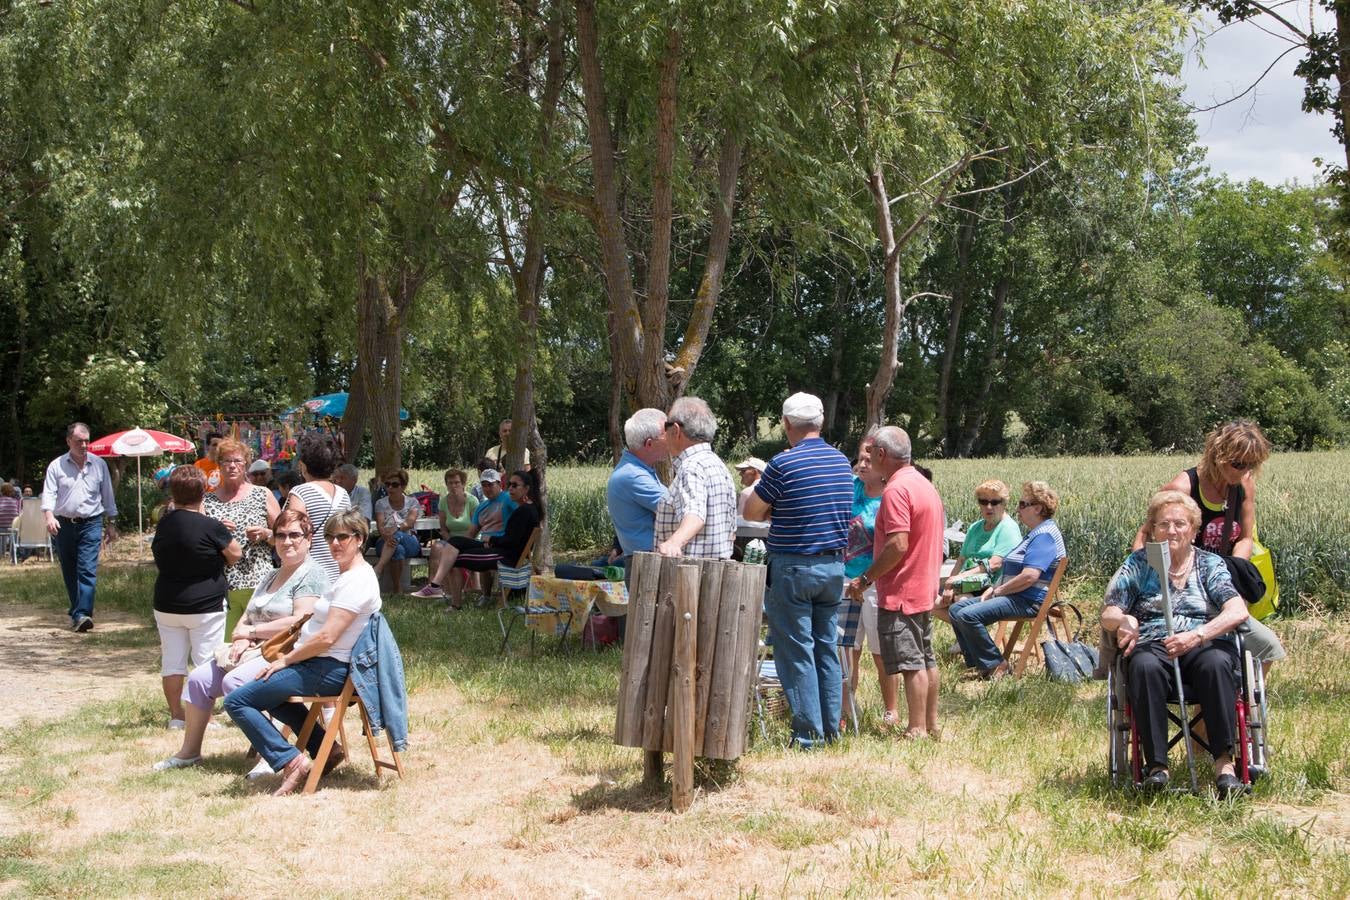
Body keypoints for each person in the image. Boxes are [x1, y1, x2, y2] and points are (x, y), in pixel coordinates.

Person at [154, 508, 328, 771]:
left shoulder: (311, 573)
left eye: (295, 535)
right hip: (255, 649)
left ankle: (274, 754)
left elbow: (300, 620)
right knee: (200, 679)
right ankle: (189, 751)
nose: (287, 541)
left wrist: (252, 633)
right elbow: (247, 616)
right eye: (281, 535)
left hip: (288, 655)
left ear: (309, 538)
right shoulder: (271, 574)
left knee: (235, 682)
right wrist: (239, 638)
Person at [1102, 490, 1252, 796]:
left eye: (1180, 524)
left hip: (1203, 640)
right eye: (1163, 524)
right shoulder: (1140, 563)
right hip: (1153, 642)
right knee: (1143, 666)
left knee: (1217, 664)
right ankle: (1157, 767)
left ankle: (1224, 765)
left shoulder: (1210, 565)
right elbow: (1110, 612)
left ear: (1194, 530)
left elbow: (1237, 610)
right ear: (1153, 530)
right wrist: (1126, 621)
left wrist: (1197, 635)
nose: (1171, 530)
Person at [224, 508, 382, 795]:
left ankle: (291, 761)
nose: (335, 543)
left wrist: (285, 659)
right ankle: (324, 748)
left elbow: (327, 637)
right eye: (330, 537)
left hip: (327, 668)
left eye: (342, 537)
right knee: (271, 694)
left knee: (237, 701)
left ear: (359, 539)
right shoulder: (348, 575)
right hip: (318, 664)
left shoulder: (357, 580)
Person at [743, 393, 853, 748]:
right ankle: (831, 729)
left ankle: (808, 735)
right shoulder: (840, 462)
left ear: (787, 424)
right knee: (826, 647)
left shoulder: (782, 464)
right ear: (820, 422)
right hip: (833, 566)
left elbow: (752, 512)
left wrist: (782, 512)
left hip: (793, 565)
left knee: (795, 651)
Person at [1131, 420, 1284, 669]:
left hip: (1217, 583)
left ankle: (1237, 703)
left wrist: (1231, 574)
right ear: (1218, 455)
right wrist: (1145, 577)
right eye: (1238, 464)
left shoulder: (1243, 484)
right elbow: (1145, 534)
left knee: (1268, 647)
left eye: (1251, 465)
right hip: (1181, 588)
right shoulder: (1184, 487)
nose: (1245, 470)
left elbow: (1245, 538)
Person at [846, 426, 945, 739]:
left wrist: (865, 578)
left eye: (872, 451)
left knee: (911, 663)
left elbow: (897, 544)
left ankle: (915, 729)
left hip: (902, 588)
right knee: (926, 658)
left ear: (881, 455)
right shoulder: (922, 484)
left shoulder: (896, 490)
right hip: (923, 585)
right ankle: (931, 723)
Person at [152, 466, 242, 729]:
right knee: (205, 663)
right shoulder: (211, 526)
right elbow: (235, 554)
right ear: (203, 492)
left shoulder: (164, 524)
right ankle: (205, 716)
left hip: (167, 603)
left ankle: (176, 716)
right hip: (205, 605)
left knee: (172, 661)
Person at [949, 481, 1066, 680]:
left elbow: (1030, 576)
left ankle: (997, 665)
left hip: (1028, 600)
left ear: (1037, 508)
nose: (1017, 509)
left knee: (968, 615)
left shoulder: (1044, 535)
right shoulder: (1037, 533)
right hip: (1017, 595)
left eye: (1022, 504)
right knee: (956, 610)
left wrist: (998, 590)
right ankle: (982, 664)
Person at [414, 470, 542, 609]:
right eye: (510, 484)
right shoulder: (523, 508)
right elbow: (472, 534)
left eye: (515, 485)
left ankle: (453, 602)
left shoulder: (521, 509)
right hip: (497, 548)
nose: (510, 488)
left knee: (454, 560)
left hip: (505, 555)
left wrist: (491, 540)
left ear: (526, 488)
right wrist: (485, 541)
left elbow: (511, 541)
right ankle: (436, 585)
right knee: (454, 542)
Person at [837, 433, 897, 726]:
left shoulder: (891, 495)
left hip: (876, 582)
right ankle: (846, 710)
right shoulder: (849, 488)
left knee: (880, 650)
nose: (861, 465)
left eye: (868, 460)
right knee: (847, 649)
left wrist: (868, 580)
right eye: (859, 458)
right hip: (845, 580)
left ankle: (891, 710)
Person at [41, 422, 119, 632]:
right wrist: (49, 516)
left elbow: (108, 496)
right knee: (69, 570)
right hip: (63, 524)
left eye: (87, 441)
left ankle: (83, 613)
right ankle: (78, 611)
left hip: (91, 523)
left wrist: (111, 523)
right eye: (79, 441)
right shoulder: (56, 466)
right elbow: (48, 493)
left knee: (86, 569)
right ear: (69, 441)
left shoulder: (99, 464)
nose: (84, 445)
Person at [204, 439, 281, 618]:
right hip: (220, 584)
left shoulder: (262, 494)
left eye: (237, 461)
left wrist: (266, 533)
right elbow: (200, 542)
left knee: (257, 639)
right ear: (219, 465)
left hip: (259, 582)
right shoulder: (207, 500)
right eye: (226, 461)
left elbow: (282, 536)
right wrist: (216, 532)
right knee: (225, 642)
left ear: (245, 464)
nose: (232, 466)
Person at [654, 397, 736, 559]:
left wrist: (674, 543)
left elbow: (695, 514)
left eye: (666, 426)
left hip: (691, 575)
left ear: (676, 430)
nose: (664, 434)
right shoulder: (717, 464)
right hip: (715, 573)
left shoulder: (692, 467)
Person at [936, 479, 1022, 624]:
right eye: (983, 502)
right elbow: (961, 559)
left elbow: (995, 563)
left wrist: (957, 579)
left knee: (961, 601)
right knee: (928, 602)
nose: (989, 506)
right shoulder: (975, 527)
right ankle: (965, 635)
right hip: (966, 584)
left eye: (995, 502)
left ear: (1004, 503)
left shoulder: (1008, 528)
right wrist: (950, 585)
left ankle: (969, 639)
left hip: (993, 586)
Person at [283, 433, 351, 582]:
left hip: (310, 575)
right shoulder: (343, 494)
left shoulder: (300, 492)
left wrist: (269, 535)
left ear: (303, 466)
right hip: (339, 571)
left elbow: (294, 532)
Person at [606, 408, 670, 568]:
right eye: (666, 435)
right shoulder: (634, 476)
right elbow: (676, 509)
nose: (671, 440)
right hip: (648, 566)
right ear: (649, 443)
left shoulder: (636, 470)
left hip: (646, 562)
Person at [426, 468, 479, 587]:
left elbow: (475, 529)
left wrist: (459, 544)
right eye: (450, 483)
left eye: (456, 482)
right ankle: (433, 587)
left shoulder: (472, 501)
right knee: (436, 548)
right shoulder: (443, 502)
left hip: (471, 540)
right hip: (451, 540)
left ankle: (475, 588)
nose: (453, 486)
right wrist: (451, 543)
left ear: (463, 484)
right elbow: (443, 529)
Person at [373, 468, 422, 591]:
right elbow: (380, 526)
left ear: (403, 486)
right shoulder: (380, 503)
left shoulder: (413, 502)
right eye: (387, 484)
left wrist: (396, 528)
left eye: (395, 485)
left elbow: (410, 523)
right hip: (385, 541)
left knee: (397, 535)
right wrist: (386, 536)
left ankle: (378, 568)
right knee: (397, 549)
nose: (390, 488)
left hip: (409, 540)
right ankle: (397, 589)